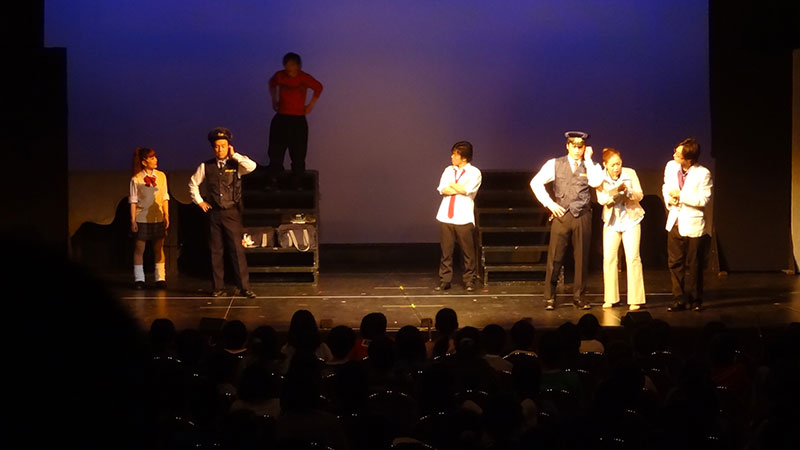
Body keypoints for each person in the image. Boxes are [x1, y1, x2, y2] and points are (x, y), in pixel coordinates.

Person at [530, 131, 604, 310]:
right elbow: (535, 183)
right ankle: (550, 297)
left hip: (582, 215)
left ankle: (579, 297)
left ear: (585, 148)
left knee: (581, 258)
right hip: (562, 215)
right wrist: (549, 204)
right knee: (555, 257)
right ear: (567, 146)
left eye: (581, 147)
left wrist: (588, 159)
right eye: (574, 146)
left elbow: (596, 183)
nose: (577, 150)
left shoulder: (592, 165)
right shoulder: (554, 163)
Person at [189, 127, 257, 298]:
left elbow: (252, 167)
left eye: (223, 146)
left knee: (237, 250)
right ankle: (218, 287)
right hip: (214, 213)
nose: (220, 149)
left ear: (229, 146)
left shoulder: (236, 164)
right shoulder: (206, 166)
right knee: (216, 251)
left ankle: (244, 287)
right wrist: (199, 201)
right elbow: (193, 183)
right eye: (217, 146)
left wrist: (235, 155)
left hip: (231, 212)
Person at [662, 137, 712, 312]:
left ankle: (695, 298)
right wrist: (669, 200)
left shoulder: (703, 173)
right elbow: (666, 187)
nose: (674, 155)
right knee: (675, 263)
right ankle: (679, 298)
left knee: (694, 263)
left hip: (693, 224)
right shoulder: (671, 166)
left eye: (678, 154)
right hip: (675, 222)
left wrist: (681, 196)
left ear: (689, 159)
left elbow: (704, 199)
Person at [595, 148, 646, 311]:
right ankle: (611, 298)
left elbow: (640, 195)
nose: (617, 167)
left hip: (631, 219)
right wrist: (615, 195)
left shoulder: (630, 173)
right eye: (613, 165)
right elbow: (601, 199)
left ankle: (635, 299)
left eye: (619, 164)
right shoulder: (600, 178)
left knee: (633, 258)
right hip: (612, 221)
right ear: (605, 165)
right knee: (609, 259)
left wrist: (628, 191)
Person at [267, 52, 323, 188]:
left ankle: (297, 182)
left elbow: (318, 87)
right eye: (287, 65)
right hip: (282, 118)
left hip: (297, 120)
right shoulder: (280, 76)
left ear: (297, 66)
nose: (289, 68)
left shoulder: (304, 77)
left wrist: (310, 105)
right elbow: (272, 84)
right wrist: (274, 99)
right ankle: (274, 180)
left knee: (298, 153)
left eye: (292, 65)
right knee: (276, 151)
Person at [435, 141, 482, 291]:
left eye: (455, 154)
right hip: (446, 215)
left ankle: (469, 280)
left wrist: (453, 185)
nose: (452, 157)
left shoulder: (474, 172)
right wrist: (458, 188)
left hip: (463, 216)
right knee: (446, 250)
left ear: (464, 157)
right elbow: (443, 189)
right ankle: (445, 279)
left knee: (467, 251)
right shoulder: (448, 170)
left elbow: (467, 190)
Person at [129, 146, 169, 289]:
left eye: (155, 157)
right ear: (144, 162)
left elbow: (165, 197)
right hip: (142, 218)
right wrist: (133, 220)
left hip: (157, 217)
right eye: (152, 158)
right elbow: (133, 201)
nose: (155, 160)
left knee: (159, 249)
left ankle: (160, 278)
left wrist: (166, 214)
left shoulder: (161, 176)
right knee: (139, 249)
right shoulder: (136, 179)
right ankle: (139, 279)